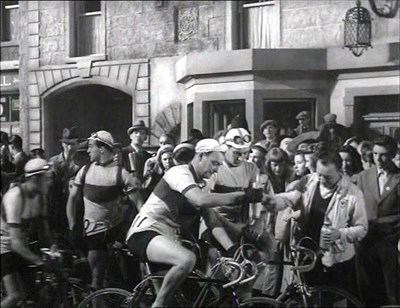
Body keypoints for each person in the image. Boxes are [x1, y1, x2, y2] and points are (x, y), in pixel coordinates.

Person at [126, 138, 246, 307]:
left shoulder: (201, 183)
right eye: (214, 163)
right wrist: (240, 196)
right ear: (201, 156)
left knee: (200, 299)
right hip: (145, 232)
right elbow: (201, 199)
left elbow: (211, 220)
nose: (216, 169)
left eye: (219, 165)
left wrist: (232, 250)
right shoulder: (179, 173)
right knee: (187, 259)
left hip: (169, 240)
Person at [265, 151, 368, 295]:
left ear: (339, 171)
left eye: (327, 177)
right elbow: (292, 198)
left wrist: (340, 233)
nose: (321, 179)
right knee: (307, 296)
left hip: (336, 258)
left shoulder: (353, 193)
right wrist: (275, 201)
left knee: (333, 297)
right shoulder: (309, 180)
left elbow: (361, 229)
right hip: (307, 252)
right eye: (319, 174)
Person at [66, 131, 143, 291]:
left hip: (114, 234)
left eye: (91, 147)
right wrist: (72, 226)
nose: (88, 151)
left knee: (119, 280)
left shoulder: (121, 174)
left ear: (101, 149)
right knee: (97, 281)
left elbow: (140, 206)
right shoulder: (84, 171)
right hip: (93, 235)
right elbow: (71, 200)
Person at [1, 158, 53, 308]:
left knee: (33, 295)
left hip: (21, 244)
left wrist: (53, 249)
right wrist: (40, 261)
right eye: (46, 178)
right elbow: (15, 243)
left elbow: (44, 230)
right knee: (15, 295)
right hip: (4, 245)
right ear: (35, 178)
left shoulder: (41, 196)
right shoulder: (15, 196)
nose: (49, 182)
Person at [355, 135, 400, 306]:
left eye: (384, 155)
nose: (378, 159)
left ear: (394, 154)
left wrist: (384, 224)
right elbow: (355, 208)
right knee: (366, 290)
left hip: (390, 243)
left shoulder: (398, 177)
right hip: (365, 243)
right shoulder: (363, 177)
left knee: (391, 291)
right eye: (375, 154)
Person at [48, 127, 80, 240]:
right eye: (67, 144)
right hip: (57, 207)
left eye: (73, 144)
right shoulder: (54, 161)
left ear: (77, 145)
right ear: (62, 145)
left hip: (74, 207)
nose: (70, 147)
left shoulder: (81, 163)